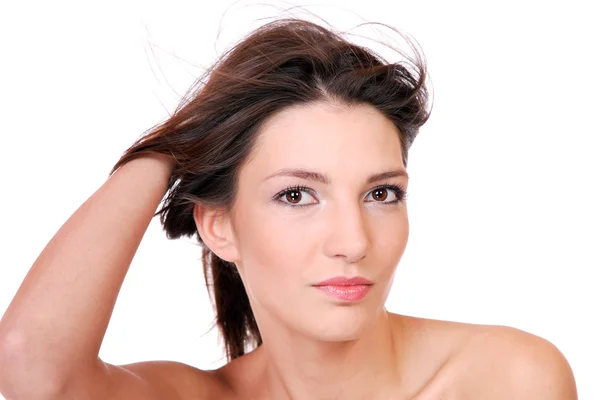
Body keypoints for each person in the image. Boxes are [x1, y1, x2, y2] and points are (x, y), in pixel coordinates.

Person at [0, 17, 577, 400]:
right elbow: (31, 368)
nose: (352, 241)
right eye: (297, 195)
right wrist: (174, 146)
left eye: (381, 193)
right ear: (217, 226)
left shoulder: (507, 378)